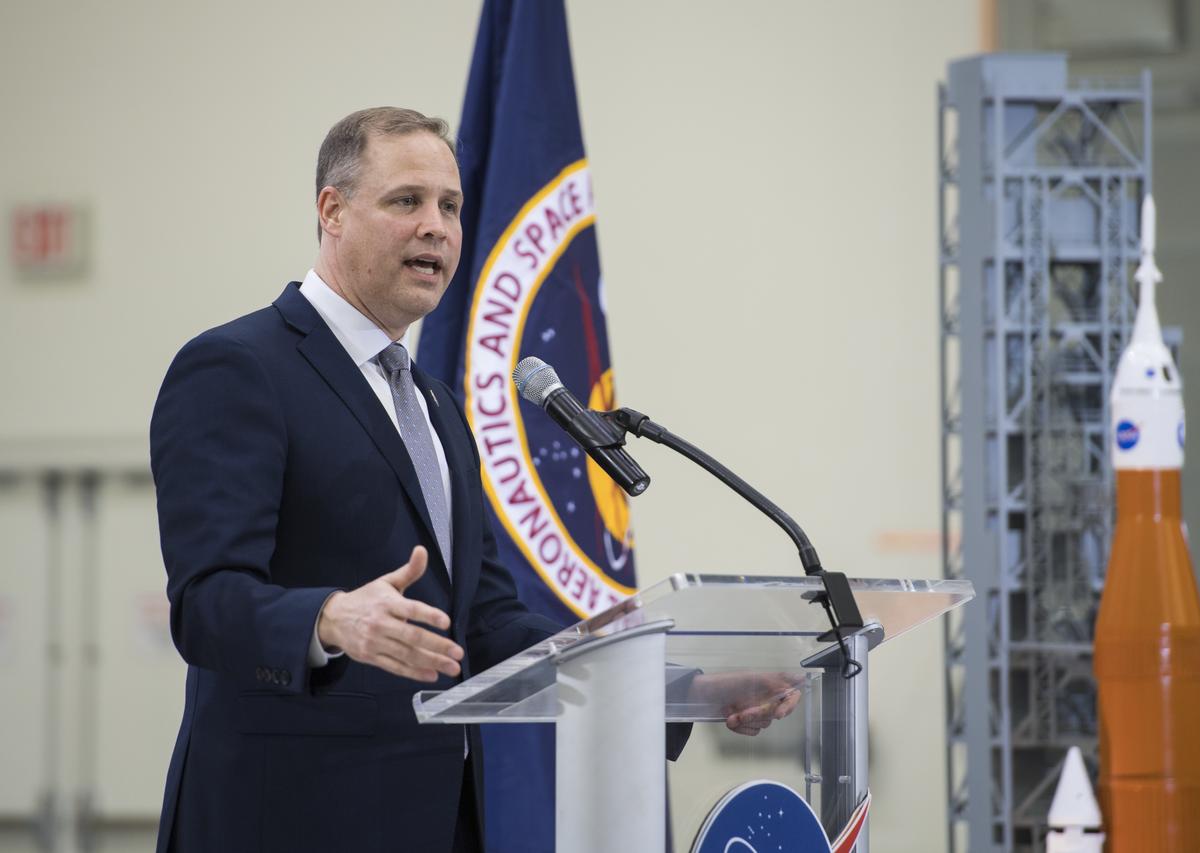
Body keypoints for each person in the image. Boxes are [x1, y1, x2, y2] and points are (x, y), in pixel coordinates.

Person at [152, 107, 797, 853]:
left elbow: (490, 624)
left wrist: (678, 687)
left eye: (451, 207)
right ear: (332, 210)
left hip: (435, 822)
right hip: (286, 818)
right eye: (407, 201)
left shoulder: (434, 404)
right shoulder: (239, 368)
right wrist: (331, 618)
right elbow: (205, 603)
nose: (438, 227)